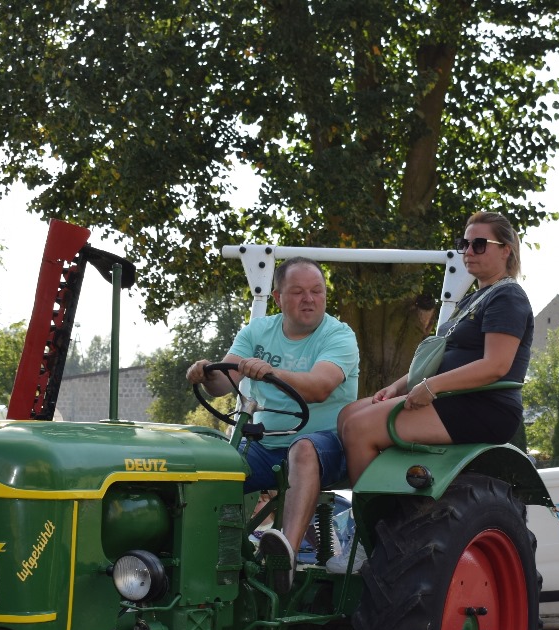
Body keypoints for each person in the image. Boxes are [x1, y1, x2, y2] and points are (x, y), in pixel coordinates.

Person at [185, 257, 359, 585]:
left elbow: (321, 387)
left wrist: (272, 372)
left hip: (328, 445)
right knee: (213, 464)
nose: (309, 298)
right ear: (278, 297)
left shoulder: (339, 336)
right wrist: (205, 374)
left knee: (304, 449)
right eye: (297, 292)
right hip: (267, 444)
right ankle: (204, 558)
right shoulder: (257, 330)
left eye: (316, 291)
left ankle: (286, 558)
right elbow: (224, 381)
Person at [339, 210, 533, 483]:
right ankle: (389, 497)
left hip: (485, 406)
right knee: (348, 414)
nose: (469, 251)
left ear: (506, 251)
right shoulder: (474, 299)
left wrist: (432, 387)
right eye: (463, 244)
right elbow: (442, 357)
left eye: (479, 245)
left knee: (359, 428)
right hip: (454, 399)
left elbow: (495, 366)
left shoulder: (508, 296)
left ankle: (376, 520)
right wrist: (398, 386)